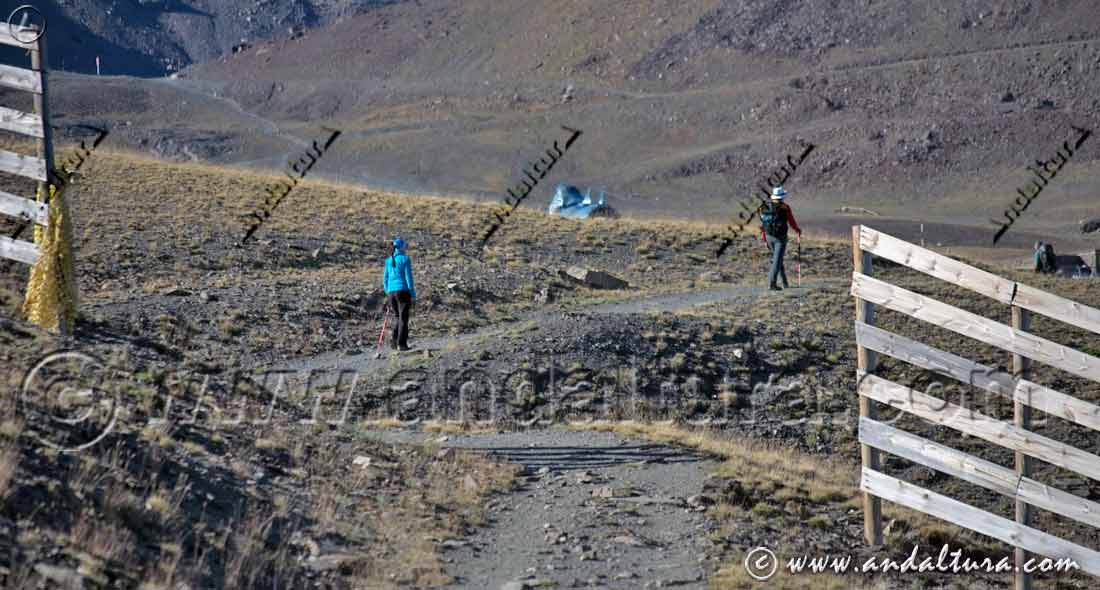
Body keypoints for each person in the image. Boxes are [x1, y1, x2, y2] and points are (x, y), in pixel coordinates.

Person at [759, 186, 802, 291]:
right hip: (780, 238)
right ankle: (772, 284)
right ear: (782, 196)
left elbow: (763, 223)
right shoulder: (785, 207)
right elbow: (791, 221)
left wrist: (763, 237)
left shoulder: (764, 206)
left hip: (768, 236)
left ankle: (784, 283)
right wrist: (797, 230)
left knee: (777, 259)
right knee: (777, 260)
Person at [382, 237, 417, 350]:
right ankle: (401, 344)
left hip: (391, 292)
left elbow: (385, 279)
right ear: (401, 247)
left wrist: (388, 291)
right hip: (402, 291)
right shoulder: (405, 259)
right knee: (403, 318)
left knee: (398, 317)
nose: (406, 248)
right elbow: (408, 278)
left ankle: (394, 342)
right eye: (404, 246)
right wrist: (412, 292)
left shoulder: (388, 260)